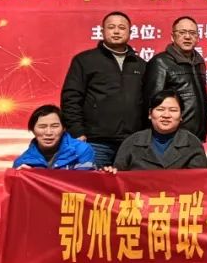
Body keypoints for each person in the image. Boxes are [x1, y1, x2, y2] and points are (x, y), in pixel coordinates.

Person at [60, 10, 147, 167]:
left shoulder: (140, 64)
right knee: (94, 182)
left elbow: (147, 101)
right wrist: (77, 131)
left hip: (133, 142)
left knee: (131, 183)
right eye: (111, 27)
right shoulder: (85, 60)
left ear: (130, 32)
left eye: (122, 27)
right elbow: (71, 98)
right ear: (102, 31)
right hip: (96, 142)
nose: (116, 31)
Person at [144, 16, 207, 142]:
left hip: (197, 137)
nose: (187, 37)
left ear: (197, 37)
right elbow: (152, 103)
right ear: (172, 37)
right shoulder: (161, 62)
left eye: (192, 33)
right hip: (171, 137)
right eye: (182, 32)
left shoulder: (199, 62)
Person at [110, 90, 207, 170]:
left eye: (173, 110)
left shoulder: (192, 143)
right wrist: (111, 173)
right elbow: (119, 178)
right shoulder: (132, 142)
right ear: (150, 113)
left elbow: (200, 180)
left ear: (181, 115)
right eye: (160, 109)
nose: (166, 115)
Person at [13, 105, 96, 169]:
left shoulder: (82, 150)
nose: (48, 132)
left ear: (64, 128)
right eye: (42, 127)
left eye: (55, 126)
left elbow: (85, 182)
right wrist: (25, 177)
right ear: (32, 130)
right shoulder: (22, 162)